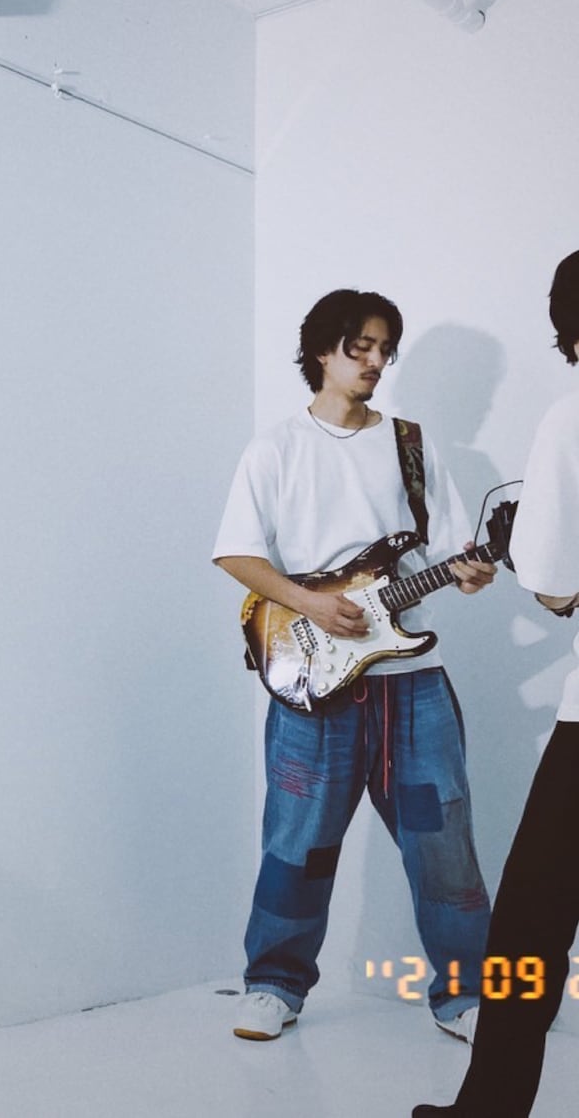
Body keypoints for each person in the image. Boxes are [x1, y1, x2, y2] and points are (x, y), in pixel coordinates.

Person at [213, 288, 496, 1045]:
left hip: (412, 687)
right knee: (298, 843)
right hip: (314, 683)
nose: (374, 361)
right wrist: (309, 603)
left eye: (383, 350)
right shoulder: (275, 448)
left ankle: (466, 995)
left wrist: (471, 571)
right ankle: (273, 985)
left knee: (443, 845)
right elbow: (236, 553)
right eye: (359, 346)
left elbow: (448, 553)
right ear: (321, 350)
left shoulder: (411, 445)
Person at [413, 250, 579, 1117]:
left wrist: (524, 553)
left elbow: (553, 582)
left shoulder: (571, 414)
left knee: (531, 924)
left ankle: (490, 1110)